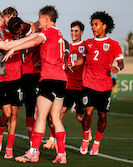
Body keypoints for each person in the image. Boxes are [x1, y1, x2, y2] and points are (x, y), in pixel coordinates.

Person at [3, 5, 68, 164]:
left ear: (46, 19)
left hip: (49, 78)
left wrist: (13, 49)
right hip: (61, 79)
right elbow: (33, 38)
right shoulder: (59, 34)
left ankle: (33, 152)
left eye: (40, 18)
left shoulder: (47, 33)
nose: (39, 21)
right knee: (56, 118)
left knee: (40, 117)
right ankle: (61, 154)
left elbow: (33, 41)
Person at [0, 8, 38, 161]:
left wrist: (32, 31)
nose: (1, 23)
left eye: (1, 20)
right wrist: (32, 39)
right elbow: (6, 46)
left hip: (0, 80)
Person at [67, 11, 124, 155]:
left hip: (104, 86)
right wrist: (73, 63)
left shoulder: (113, 44)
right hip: (88, 84)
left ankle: (97, 143)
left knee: (103, 116)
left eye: (96, 25)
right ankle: (85, 139)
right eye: (92, 25)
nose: (93, 27)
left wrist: (116, 68)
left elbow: (121, 63)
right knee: (88, 112)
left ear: (104, 26)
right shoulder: (88, 43)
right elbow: (83, 60)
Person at [43, 20, 93, 150]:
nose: (73, 33)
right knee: (59, 113)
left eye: (76, 31)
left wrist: (73, 64)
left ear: (81, 32)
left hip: (81, 86)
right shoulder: (67, 46)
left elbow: (84, 60)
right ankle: (52, 139)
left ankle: (86, 134)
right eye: (72, 30)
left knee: (79, 116)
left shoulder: (85, 45)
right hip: (67, 85)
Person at [6, 16, 41, 146]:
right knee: (20, 110)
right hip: (22, 76)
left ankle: (51, 140)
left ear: (21, 27)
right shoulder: (19, 34)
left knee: (39, 112)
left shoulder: (37, 31)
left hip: (36, 76)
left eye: (17, 32)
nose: (17, 35)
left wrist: (41, 61)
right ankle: (32, 144)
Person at [0, 7, 22, 159]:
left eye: (14, 16)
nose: (10, 19)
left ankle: (9, 148)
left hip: (17, 77)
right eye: (8, 16)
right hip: (3, 77)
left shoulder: (20, 31)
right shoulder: (0, 32)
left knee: (15, 114)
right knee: (7, 113)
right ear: (3, 18)